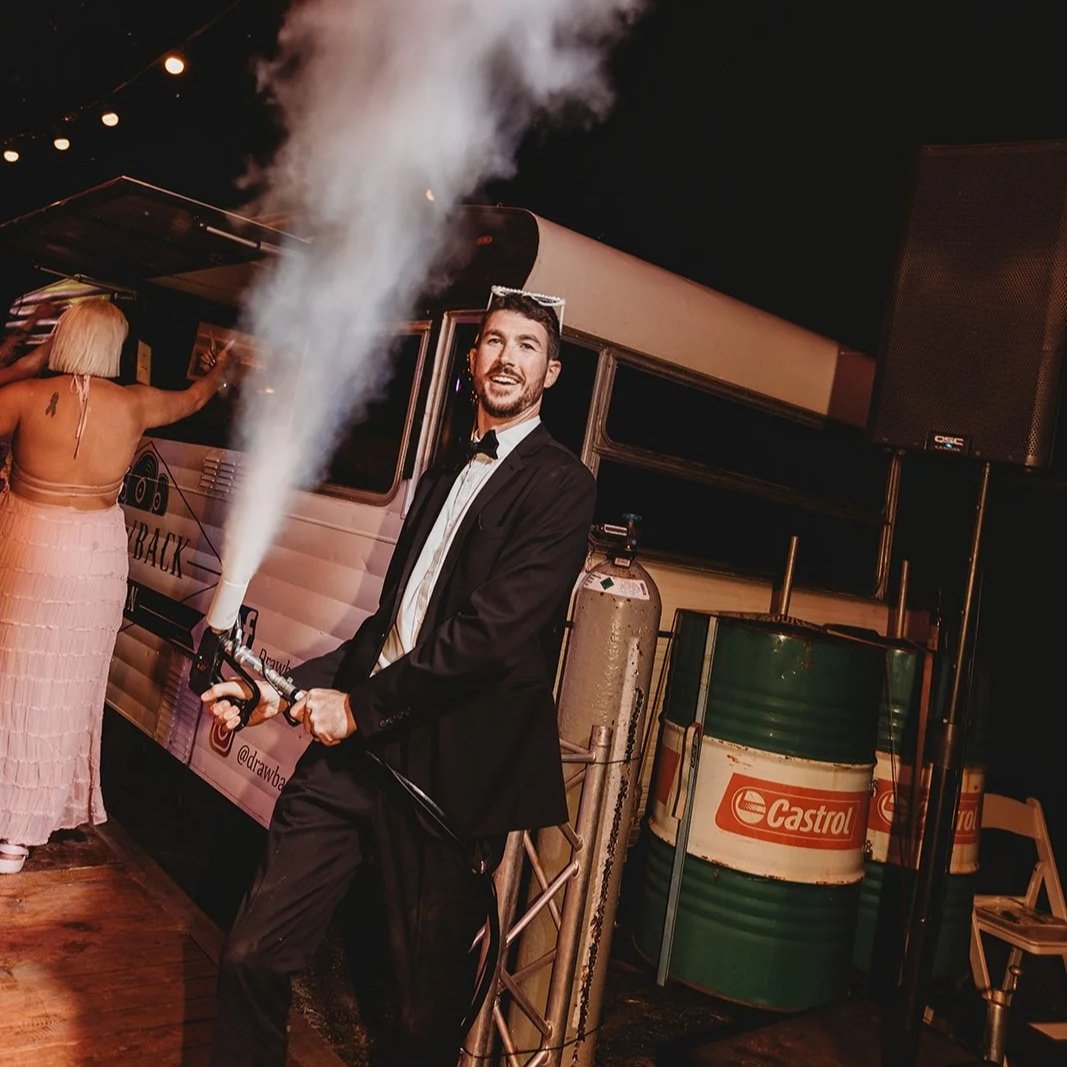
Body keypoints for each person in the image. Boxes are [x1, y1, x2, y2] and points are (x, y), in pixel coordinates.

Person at [200, 287, 597, 1066]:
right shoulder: (443, 472)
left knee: (416, 1018)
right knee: (252, 952)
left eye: (525, 346)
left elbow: (489, 639)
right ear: (471, 357)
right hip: (357, 757)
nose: (505, 357)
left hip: (441, 775)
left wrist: (360, 709)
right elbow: (389, 629)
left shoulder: (561, 485)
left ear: (550, 372)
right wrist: (267, 690)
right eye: (492, 340)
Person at [0, 297, 233, 874]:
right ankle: (15, 839)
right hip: (93, 557)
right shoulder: (135, 404)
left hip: (29, 540)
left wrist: (30, 362)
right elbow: (196, 398)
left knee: (10, 676)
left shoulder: (27, 397)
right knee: (63, 687)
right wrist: (221, 365)